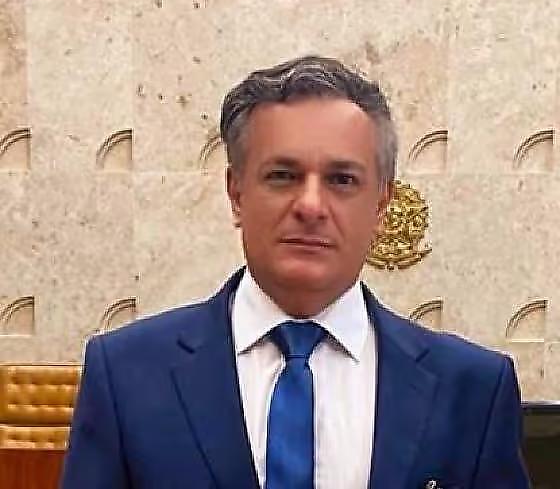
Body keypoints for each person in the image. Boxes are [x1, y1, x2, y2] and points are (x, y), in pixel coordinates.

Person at [62, 56, 530, 489]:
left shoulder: (472, 390)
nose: (310, 205)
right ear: (236, 193)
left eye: (342, 180)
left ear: (381, 205)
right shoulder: (126, 375)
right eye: (283, 176)